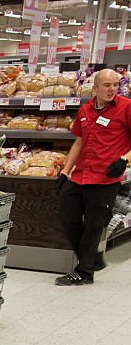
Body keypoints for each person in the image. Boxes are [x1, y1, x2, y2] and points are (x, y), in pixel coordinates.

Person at [56, 68, 131, 286]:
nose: (112, 89)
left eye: (116, 85)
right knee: (67, 216)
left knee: (93, 224)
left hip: (106, 178)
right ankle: (92, 257)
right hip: (80, 175)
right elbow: (78, 142)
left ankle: (84, 272)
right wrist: (64, 171)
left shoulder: (126, 108)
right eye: (107, 85)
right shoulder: (85, 110)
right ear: (95, 88)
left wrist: (124, 159)